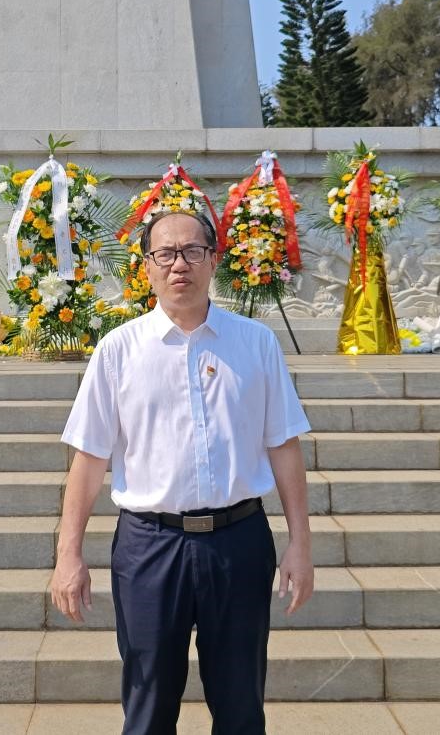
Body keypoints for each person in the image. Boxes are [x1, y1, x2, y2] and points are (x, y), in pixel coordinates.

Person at [50, 209, 314, 734]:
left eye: (193, 251)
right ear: (146, 266)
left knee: (240, 708)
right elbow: (89, 457)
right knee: (147, 709)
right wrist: (68, 554)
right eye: (165, 254)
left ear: (213, 260)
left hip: (238, 543)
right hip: (150, 547)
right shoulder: (118, 351)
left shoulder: (255, 344)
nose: (180, 265)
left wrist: (301, 545)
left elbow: (283, 446)